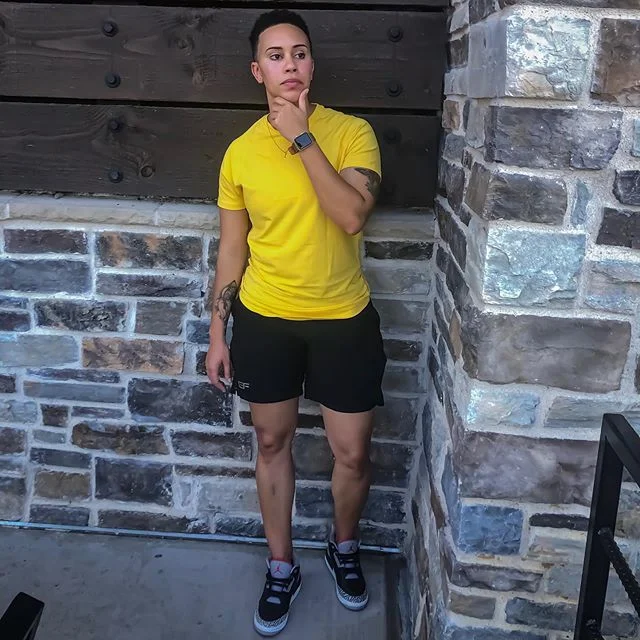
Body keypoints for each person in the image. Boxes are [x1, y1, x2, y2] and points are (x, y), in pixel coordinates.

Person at [205, 8, 387, 637]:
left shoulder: (351, 133)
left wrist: (303, 137)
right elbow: (232, 249)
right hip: (265, 320)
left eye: (300, 53)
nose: (291, 65)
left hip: (343, 319)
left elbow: (351, 216)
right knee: (271, 443)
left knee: (352, 453)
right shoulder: (240, 153)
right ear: (257, 71)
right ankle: (281, 566)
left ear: (313, 63)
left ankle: (343, 545)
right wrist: (217, 333)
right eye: (276, 55)